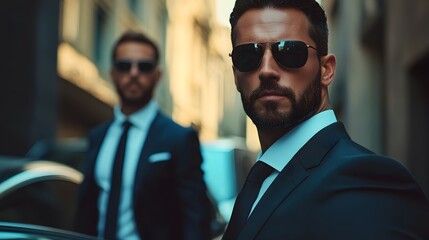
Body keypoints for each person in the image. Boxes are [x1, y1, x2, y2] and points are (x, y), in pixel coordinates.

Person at [222, 0, 429, 239]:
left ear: (326, 70)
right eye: (249, 54)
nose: (267, 69)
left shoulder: (365, 180)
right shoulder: (260, 179)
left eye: (289, 51)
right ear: (235, 74)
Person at [74, 31, 212, 240]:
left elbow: (196, 218)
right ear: (113, 73)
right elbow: (86, 212)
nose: (134, 73)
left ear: (157, 75)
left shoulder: (179, 139)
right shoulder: (98, 136)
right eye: (124, 65)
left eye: (144, 66)